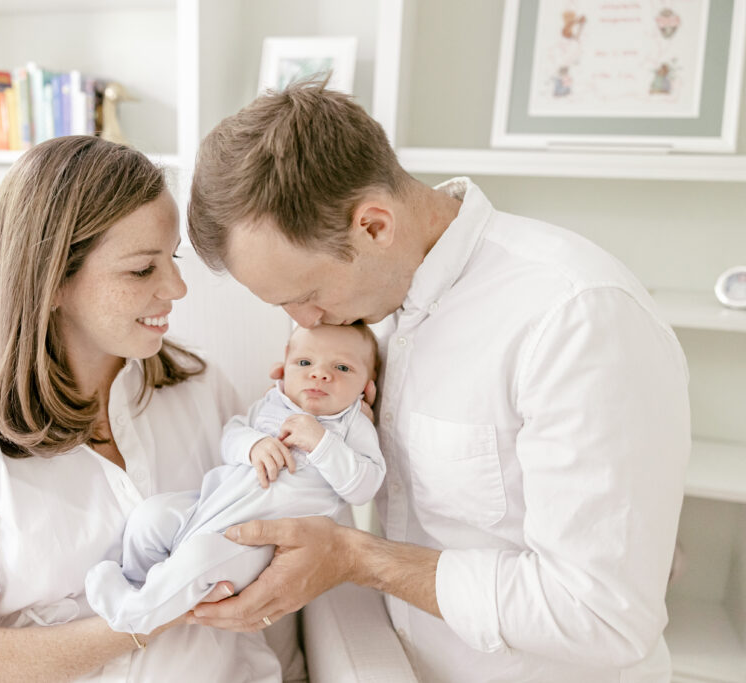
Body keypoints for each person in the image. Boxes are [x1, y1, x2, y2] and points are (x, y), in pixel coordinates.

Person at [185, 81, 691, 682]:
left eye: (307, 296)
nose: (305, 324)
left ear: (373, 226)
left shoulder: (576, 316)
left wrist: (355, 559)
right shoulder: (382, 306)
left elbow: (604, 613)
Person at [0, 136, 283, 682]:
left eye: (172, 258)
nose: (177, 287)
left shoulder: (199, 388)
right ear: (51, 282)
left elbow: (272, 527)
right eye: (142, 270)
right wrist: (149, 615)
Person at [84, 323, 384, 635]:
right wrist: (253, 444)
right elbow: (231, 436)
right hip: (207, 507)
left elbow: (364, 488)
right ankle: (136, 580)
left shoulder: (352, 426)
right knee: (151, 515)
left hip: (254, 542)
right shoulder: (272, 404)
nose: (320, 374)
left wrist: (322, 443)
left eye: (343, 367)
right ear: (284, 367)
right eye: (305, 363)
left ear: (367, 386)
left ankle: (135, 615)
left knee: (200, 557)